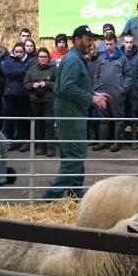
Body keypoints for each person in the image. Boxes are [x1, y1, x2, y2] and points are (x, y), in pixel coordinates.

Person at [41, 26, 109, 200]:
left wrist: (94, 94)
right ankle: (51, 195)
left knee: (74, 154)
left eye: (92, 39)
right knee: (75, 155)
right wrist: (91, 99)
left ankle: (75, 193)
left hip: (74, 112)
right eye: (88, 39)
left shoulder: (78, 58)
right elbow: (66, 87)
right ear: (77, 40)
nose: (91, 43)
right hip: (70, 114)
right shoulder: (73, 60)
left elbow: (76, 86)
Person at [92, 33, 132, 152]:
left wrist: (123, 90)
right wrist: (96, 89)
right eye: (107, 44)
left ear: (116, 44)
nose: (108, 46)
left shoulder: (123, 58)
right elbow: (96, 75)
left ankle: (117, 143)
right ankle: (103, 142)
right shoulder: (101, 58)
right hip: (102, 93)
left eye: (111, 44)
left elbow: (129, 76)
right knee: (103, 118)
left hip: (117, 94)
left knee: (118, 119)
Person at [24, 48, 58, 157]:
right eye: (41, 57)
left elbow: (58, 84)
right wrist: (32, 85)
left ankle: (51, 148)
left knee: (49, 124)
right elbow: (25, 84)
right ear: (37, 58)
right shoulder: (31, 69)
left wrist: (46, 83)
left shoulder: (54, 69)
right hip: (35, 100)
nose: (43, 59)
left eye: (45, 57)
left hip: (49, 100)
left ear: (48, 58)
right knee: (39, 124)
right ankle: (41, 147)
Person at [1, 43, 31, 152]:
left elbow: (28, 74)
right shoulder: (7, 61)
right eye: (16, 51)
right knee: (9, 119)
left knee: (22, 119)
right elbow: (7, 72)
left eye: (20, 52)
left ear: (24, 52)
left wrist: (16, 73)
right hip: (10, 94)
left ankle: (23, 141)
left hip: (23, 94)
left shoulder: (29, 62)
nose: (18, 54)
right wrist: (22, 71)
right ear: (13, 51)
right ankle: (9, 141)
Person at [120, 33, 138, 150]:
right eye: (126, 42)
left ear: (133, 43)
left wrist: (137, 87)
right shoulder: (119, 56)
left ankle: (134, 140)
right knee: (121, 114)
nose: (128, 45)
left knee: (134, 114)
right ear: (123, 43)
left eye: (130, 42)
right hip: (121, 91)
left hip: (133, 91)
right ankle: (121, 138)